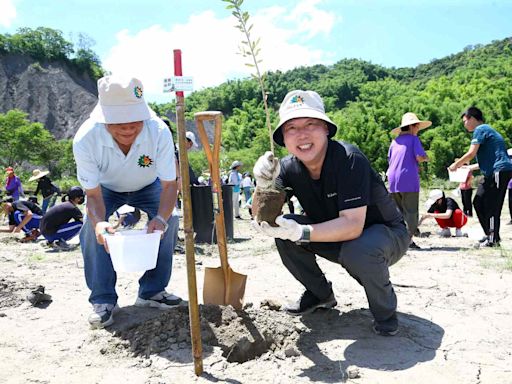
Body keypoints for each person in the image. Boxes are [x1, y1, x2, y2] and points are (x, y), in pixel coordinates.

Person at [252, 90, 409, 336]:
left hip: (384, 235)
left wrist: (301, 232)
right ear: (283, 137)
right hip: (335, 235)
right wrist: (262, 186)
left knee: (359, 249)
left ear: (326, 128)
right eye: (291, 127)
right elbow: (265, 219)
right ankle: (320, 294)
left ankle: (385, 311)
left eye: (311, 123)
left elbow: (353, 226)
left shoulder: (349, 159)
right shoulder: (287, 167)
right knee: (284, 229)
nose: (302, 134)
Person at [73, 75, 182, 329]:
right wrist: (100, 223)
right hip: (107, 189)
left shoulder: (158, 131)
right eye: (118, 121)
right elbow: (92, 195)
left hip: (148, 185)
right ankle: (103, 300)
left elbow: (169, 185)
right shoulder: (86, 138)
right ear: (103, 118)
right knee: (92, 228)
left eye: (135, 120)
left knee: (172, 220)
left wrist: (161, 218)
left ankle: (152, 291)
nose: (128, 128)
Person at [449, 106, 512, 247]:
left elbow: (471, 154)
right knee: (478, 202)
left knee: (491, 206)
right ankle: (490, 235)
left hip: (499, 172)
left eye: (465, 121)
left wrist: (456, 165)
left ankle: (493, 240)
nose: (464, 124)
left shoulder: (480, 129)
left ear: (472, 118)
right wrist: (468, 167)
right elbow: (486, 160)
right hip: (496, 171)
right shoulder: (486, 131)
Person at [386, 112, 430, 249]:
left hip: (393, 180)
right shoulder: (413, 139)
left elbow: (390, 159)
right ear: (413, 127)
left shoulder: (394, 142)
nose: (418, 130)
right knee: (411, 212)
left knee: (398, 212)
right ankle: (408, 241)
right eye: (417, 127)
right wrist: (426, 158)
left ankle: (397, 239)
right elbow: (419, 156)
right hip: (408, 179)